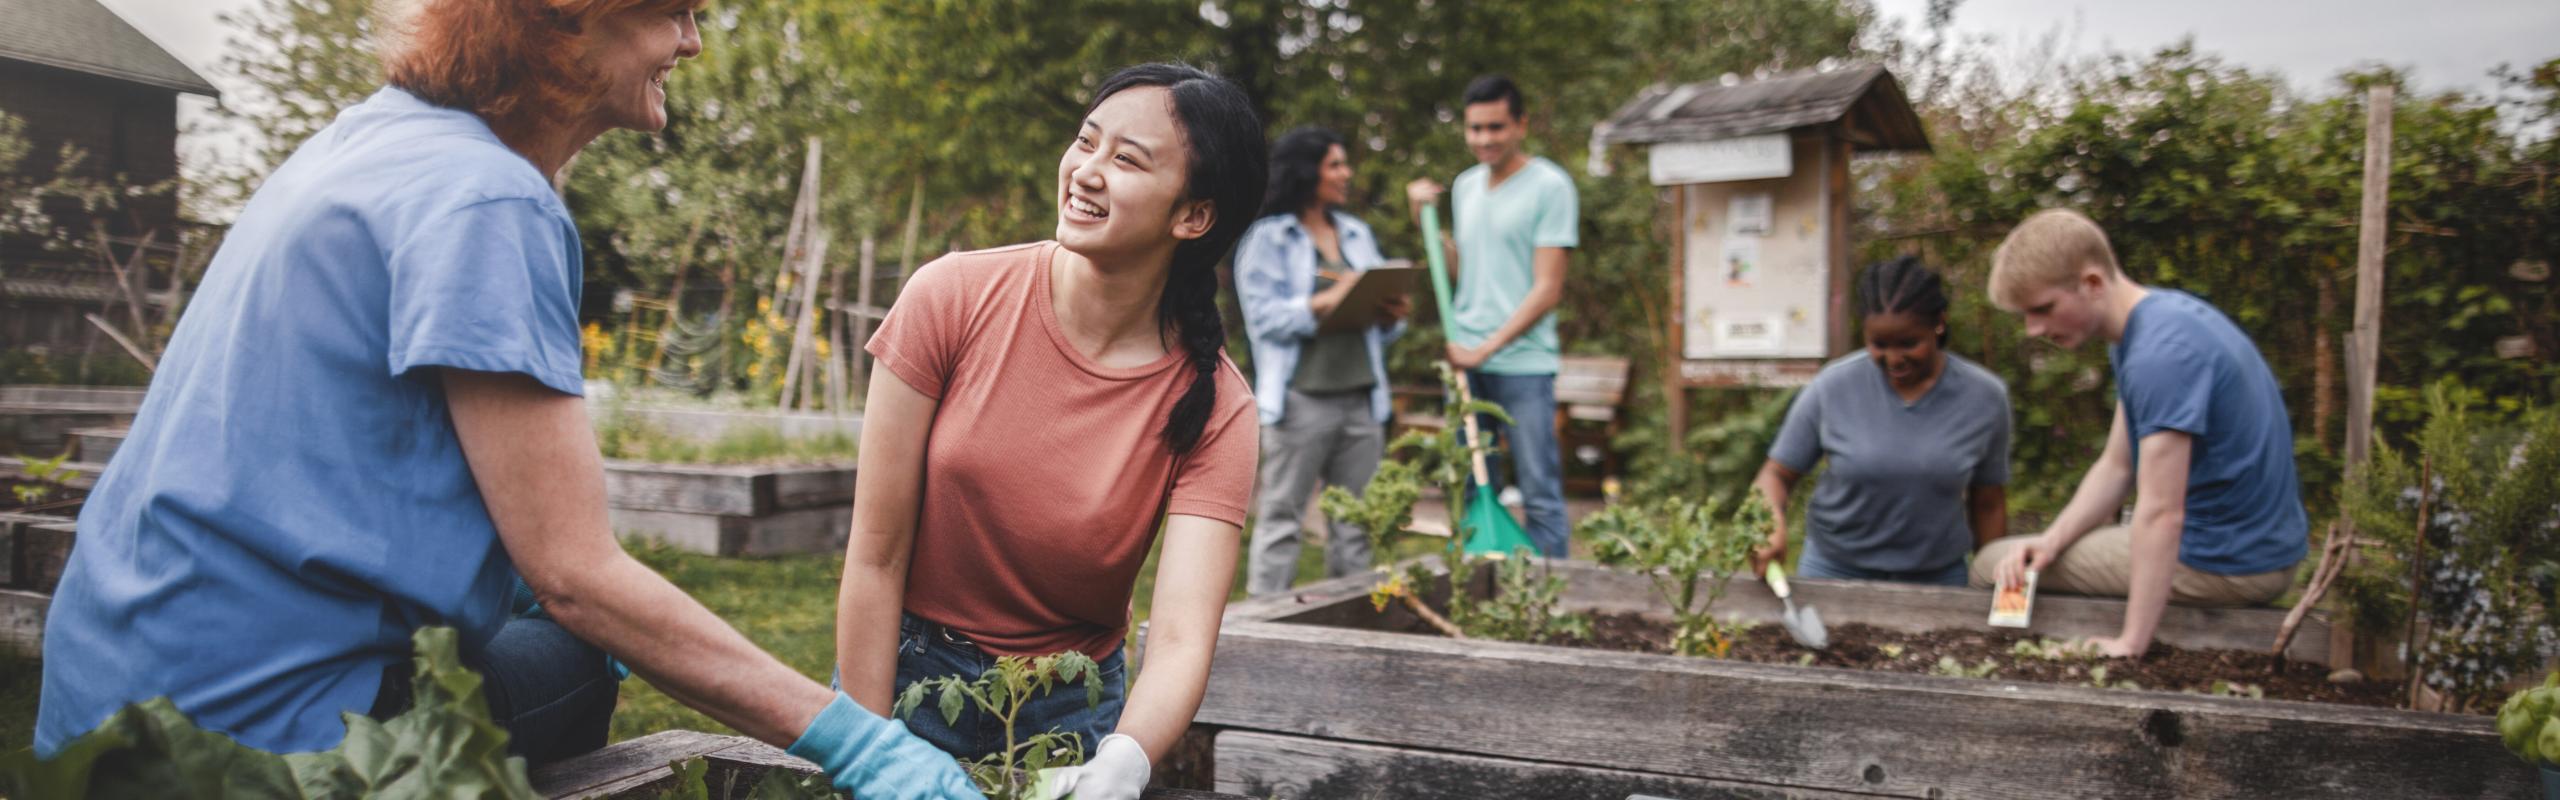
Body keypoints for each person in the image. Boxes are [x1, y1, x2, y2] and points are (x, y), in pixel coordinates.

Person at [32, 3, 974, 796]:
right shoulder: (490, 202)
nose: (692, 42)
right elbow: (577, 578)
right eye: (677, 11)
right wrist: (864, 745)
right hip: (254, 740)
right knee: (577, 653)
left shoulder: (372, 139)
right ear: (578, 18)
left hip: (110, 698)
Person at [834, 63, 1264, 800]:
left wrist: (1124, 759)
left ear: (1193, 217)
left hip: (1070, 716)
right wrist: (865, 748)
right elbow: (876, 555)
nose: (1086, 171)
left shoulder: (1217, 405)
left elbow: (1184, 636)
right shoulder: (951, 298)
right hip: (904, 682)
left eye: (1127, 160)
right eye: (1085, 142)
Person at [1970, 209, 2308, 658]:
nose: (2034, 329)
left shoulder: (2159, 356)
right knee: (2026, 555)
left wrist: (2131, 643)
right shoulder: (2153, 326)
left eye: (2043, 309)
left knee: (1992, 564)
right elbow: (2117, 465)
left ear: (2091, 283)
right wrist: (2049, 541)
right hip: (2256, 548)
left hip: (2231, 561)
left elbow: (2162, 513)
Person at [1751, 257, 2012, 586]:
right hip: (1834, 571)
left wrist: (1997, 584)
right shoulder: (1832, 387)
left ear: (1939, 324)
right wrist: (1768, 522)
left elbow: (1988, 503)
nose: (1893, 359)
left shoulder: (1984, 398)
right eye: (1879, 344)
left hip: (1937, 578)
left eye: (1908, 344)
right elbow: (1775, 474)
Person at [1402, 74, 1579, 558]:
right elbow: (1463, 270)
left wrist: (1487, 347)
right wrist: (1426, 222)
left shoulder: (1550, 186)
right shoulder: (1465, 186)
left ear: (1521, 124)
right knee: (1473, 487)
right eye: (1475, 129)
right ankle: (1481, 592)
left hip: (1522, 362)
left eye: (1495, 128)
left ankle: (1550, 601)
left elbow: (1548, 289)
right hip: (1466, 360)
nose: (1484, 139)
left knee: (1539, 490)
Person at [1234, 126, 1412, 596]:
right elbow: (1265, 319)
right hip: (1300, 403)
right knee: (1282, 517)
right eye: (1335, 164)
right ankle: (1265, 624)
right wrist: (1328, 300)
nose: (1346, 173)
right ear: (1307, 171)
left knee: (1356, 523)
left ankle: (1350, 624)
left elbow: (1380, 321)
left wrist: (1391, 312)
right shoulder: (1267, 239)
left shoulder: (1356, 233)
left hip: (1362, 401)